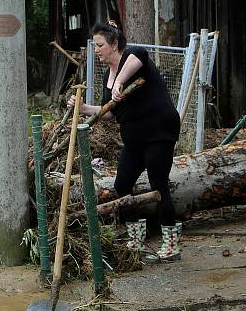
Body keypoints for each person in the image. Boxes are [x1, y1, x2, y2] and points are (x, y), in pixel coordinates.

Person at [69, 20, 181, 263]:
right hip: (134, 139)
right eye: (94, 45)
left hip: (158, 132)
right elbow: (109, 112)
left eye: (99, 45)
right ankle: (136, 238)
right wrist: (83, 108)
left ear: (114, 44)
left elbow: (141, 54)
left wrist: (120, 81)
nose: (96, 50)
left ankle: (171, 244)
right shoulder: (106, 77)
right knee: (122, 184)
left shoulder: (132, 58)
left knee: (158, 183)